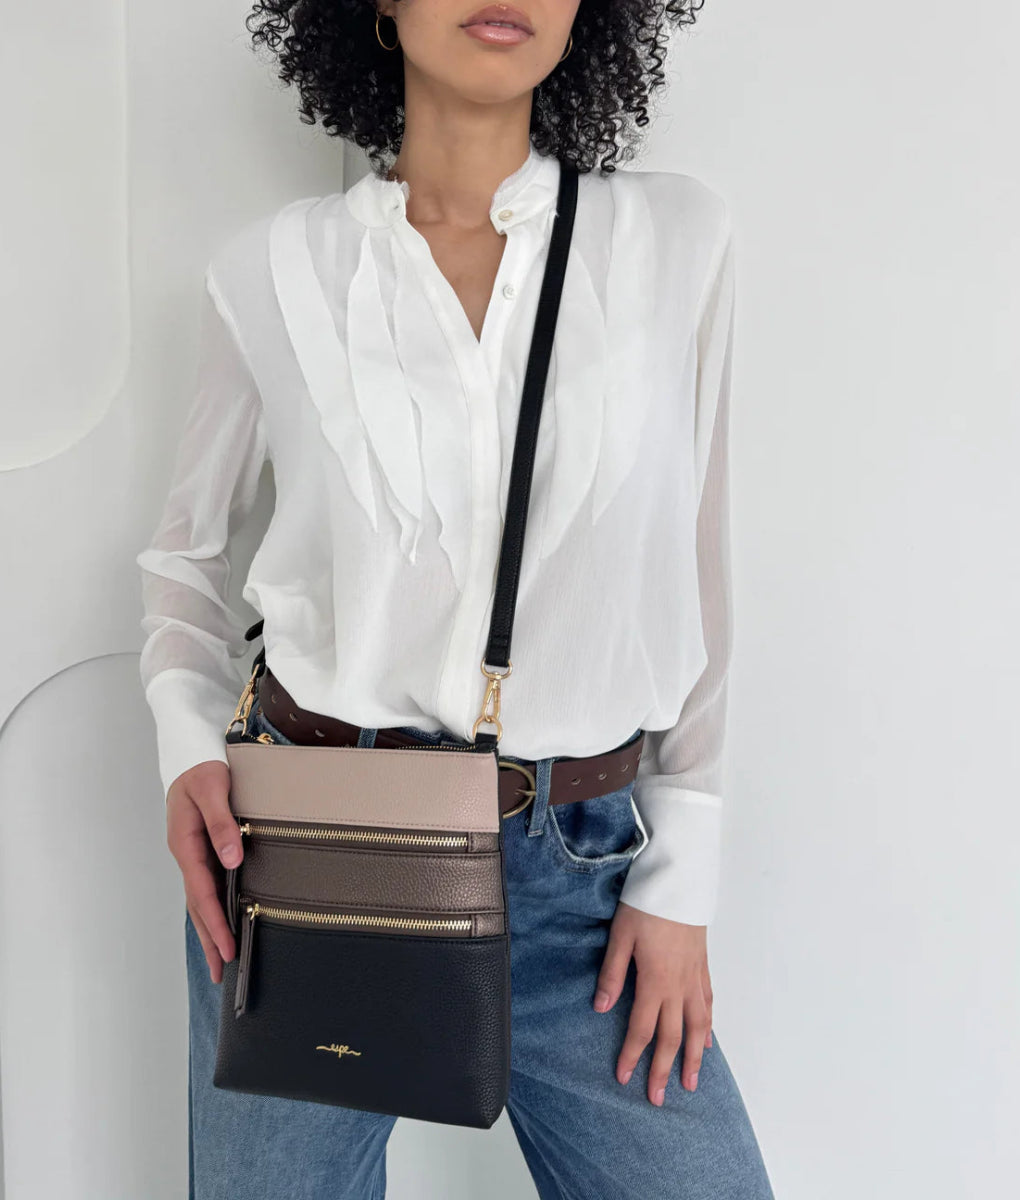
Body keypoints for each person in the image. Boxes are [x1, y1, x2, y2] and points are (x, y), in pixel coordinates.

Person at [136, 0, 776, 1195]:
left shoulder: (677, 239)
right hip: (314, 855)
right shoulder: (270, 270)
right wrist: (186, 751)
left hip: (588, 881)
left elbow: (699, 565)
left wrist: (683, 875)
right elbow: (183, 560)